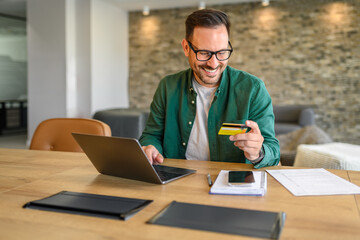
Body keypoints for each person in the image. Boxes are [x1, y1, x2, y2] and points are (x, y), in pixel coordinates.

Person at [139, 9, 280, 168]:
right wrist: (150, 148)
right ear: (186, 48)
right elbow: (151, 135)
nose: (213, 63)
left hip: (231, 184)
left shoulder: (253, 89)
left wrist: (258, 153)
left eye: (221, 52)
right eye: (204, 53)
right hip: (177, 181)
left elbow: (273, 151)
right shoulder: (167, 87)